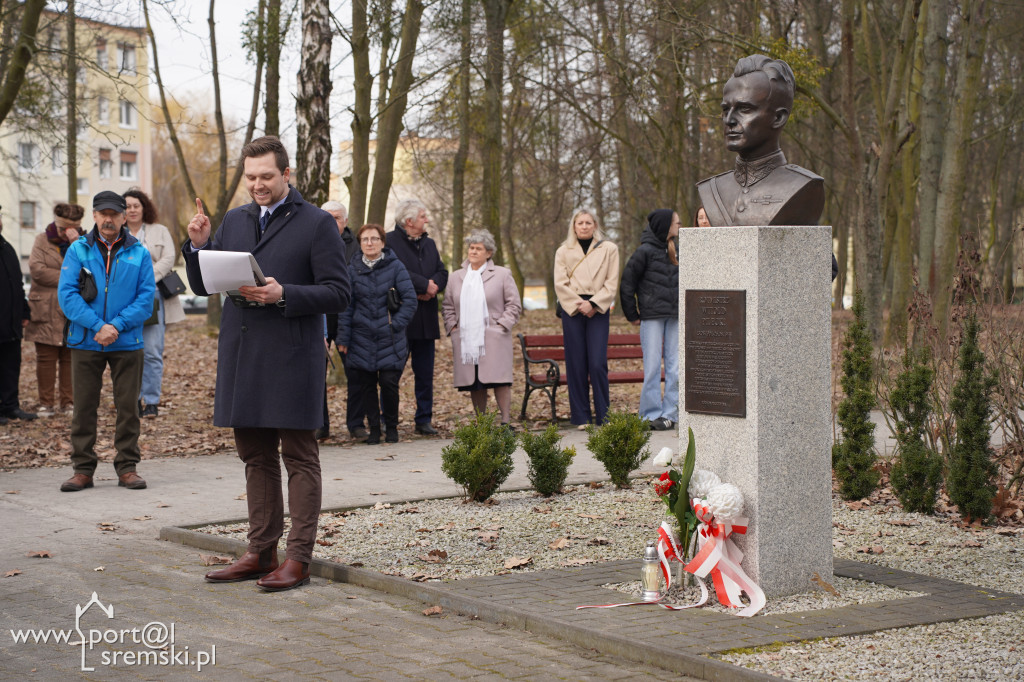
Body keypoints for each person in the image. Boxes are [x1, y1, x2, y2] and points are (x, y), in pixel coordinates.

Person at [183, 136, 350, 592]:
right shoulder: (234, 221)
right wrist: (197, 246)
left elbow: (340, 293)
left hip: (293, 355)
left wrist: (285, 293)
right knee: (255, 457)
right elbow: (203, 286)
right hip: (243, 356)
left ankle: (298, 558)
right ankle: (260, 551)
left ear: (287, 175)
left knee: (299, 457)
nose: (257, 185)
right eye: (251, 177)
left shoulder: (317, 224)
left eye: (266, 177)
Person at [57, 191, 155, 491]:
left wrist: (116, 326)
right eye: (103, 213)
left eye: (115, 213)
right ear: (95, 216)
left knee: (128, 408)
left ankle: (127, 467)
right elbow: (67, 296)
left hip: (127, 342)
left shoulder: (139, 252)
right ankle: (83, 469)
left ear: (125, 216)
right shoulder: (77, 251)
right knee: (84, 407)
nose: (109, 219)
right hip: (86, 340)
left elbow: (146, 298)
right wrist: (99, 326)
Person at [337, 224, 416, 444]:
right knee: (367, 385)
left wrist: (395, 324)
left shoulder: (396, 267)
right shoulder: (352, 269)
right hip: (361, 337)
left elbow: (410, 300)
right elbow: (346, 306)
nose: (369, 243)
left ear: (382, 242)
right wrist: (343, 337)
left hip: (390, 336)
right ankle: (373, 428)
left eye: (374, 239)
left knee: (389, 383)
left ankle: (391, 426)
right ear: (360, 243)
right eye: (365, 240)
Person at [442, 229, 522, 426]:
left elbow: (514, 304)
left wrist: (502, 325)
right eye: (471, 248)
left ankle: (505, 421)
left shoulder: (502, 274)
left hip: (494, 336)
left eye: (479, 249)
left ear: (489, 253)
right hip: (466, 337)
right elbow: (448, 306)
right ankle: (482, 423)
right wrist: (453, 327)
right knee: (475, 381)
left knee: (499, 380)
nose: (474, 252)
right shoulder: (456, 277)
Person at [386, 198, 448, 435]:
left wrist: (433, 286)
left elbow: (442, 271)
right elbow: (394, 270)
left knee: (425, 374)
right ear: (409, 221)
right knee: (393, 374)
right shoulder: (389, 242)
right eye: (423, 216)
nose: (427, 220)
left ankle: (424, 419)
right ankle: (389, 420)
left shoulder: (430, 243)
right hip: (401, 320)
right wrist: (423, 286)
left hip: (427, 320)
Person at [553, 209, 620, 428]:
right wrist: (579, 304)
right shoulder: (563, 251)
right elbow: (560, 283)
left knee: (598, 363)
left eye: (588, 222)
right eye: (579, 223)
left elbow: (611, 282)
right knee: (576, 363)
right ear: (573, 226)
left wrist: (594, 303)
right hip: (572, 309)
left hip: (598, 308)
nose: (584, 226)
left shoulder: (609, 249)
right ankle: (581, 417)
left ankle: (604, 416)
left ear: (595, 225)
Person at [124, 188, 185, 418]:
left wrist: (147, 277)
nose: (131, 210)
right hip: (124, 298)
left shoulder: (159, 231)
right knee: (129, 351)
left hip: (153, 295)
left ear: (143, 207)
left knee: (151, 351)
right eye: (127, 206)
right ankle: (131, 399)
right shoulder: (116, 232)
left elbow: (169, 258)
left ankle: (151, 400)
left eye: (135, 205)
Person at [619, 209, 680, 431]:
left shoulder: (677, 250)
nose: (679, 225)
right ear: (665, 225)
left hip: (675, 317)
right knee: (653, 366)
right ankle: (650, 414)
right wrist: (632, 315)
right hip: (652, 317)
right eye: (676, 222)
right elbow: (627, 284)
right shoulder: (643, 252)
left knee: (675, 367)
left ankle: (671, 414)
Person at [25, 203, 84, 417]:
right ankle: (46, 403)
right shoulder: (42, 239)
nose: (65, 232)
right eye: (63, 229)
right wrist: (70, 277)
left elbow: (89, 271)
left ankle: (68, 402)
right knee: (46, 358)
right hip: (45, 308)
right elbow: (37, 270)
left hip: (72, 309)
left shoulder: (83, 242)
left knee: (70, 357)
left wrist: (75, 243)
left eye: (71, 229)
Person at [319, 200, 363, 441]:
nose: (331, 221)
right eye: (326, 216)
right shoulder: (311, 241)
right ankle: (320, 425)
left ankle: (356, 424)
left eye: (336, 217)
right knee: (317, 374)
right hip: (320, 315)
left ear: (345, 221)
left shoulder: (357, 246)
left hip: (349, 318)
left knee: (355, 373)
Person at [0, 206, 36, 425]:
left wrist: (24, 310)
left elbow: (16, 283)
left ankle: (10, 406)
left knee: (11, 365)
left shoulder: (7, 247)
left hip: (11, 322)